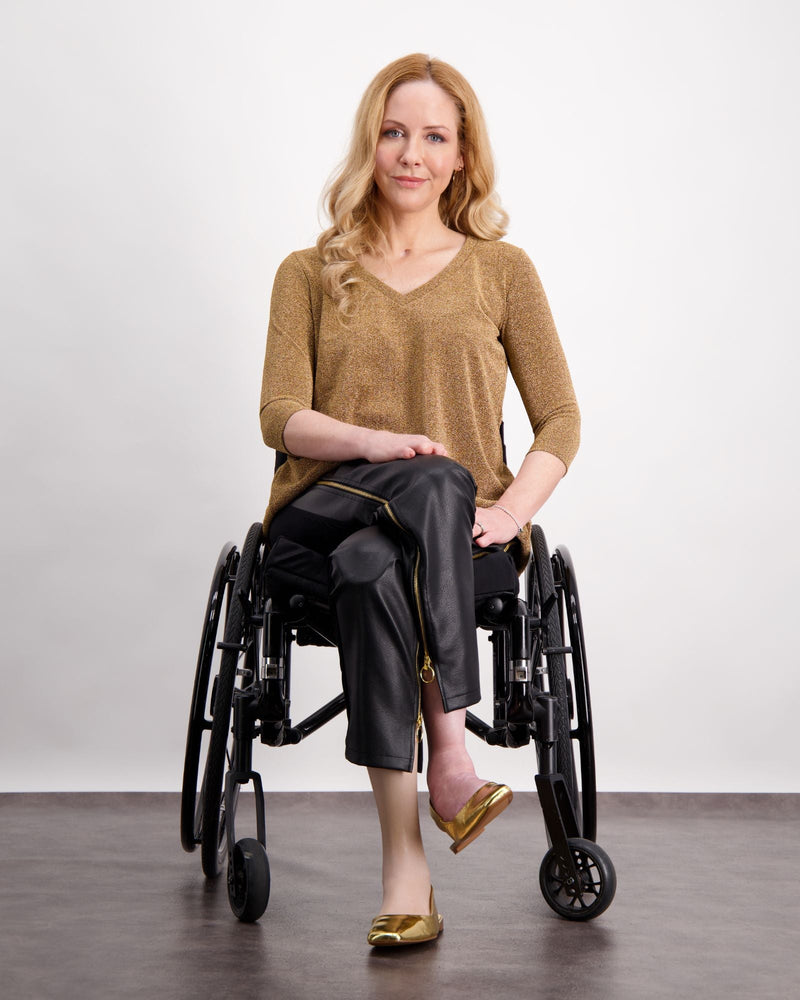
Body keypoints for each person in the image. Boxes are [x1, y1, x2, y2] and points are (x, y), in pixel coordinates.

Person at [259, 53, 580, 946]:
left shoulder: (500, 270)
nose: (411, 153)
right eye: (393, 133)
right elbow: (279, 416)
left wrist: (511, 514)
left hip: (450, 544)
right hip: (321, 516)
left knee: (378, 566)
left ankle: (406, 866)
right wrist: (375, 443)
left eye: (433, 135)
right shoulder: (309, 272)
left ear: (462, 155)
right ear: (370, 145)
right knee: (421, 487)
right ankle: (452, 757)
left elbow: (560, 417)